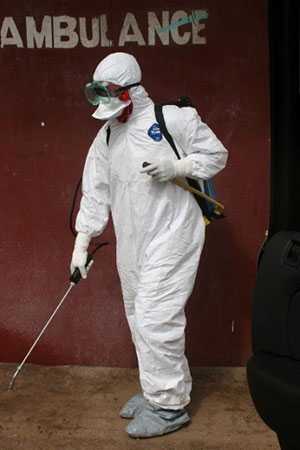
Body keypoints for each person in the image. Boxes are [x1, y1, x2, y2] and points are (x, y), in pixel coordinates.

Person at [70, 52, 228, 438]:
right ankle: (156, 390)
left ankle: (170, 407)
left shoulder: (172, 119)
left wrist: (178, 167)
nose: (104, 107)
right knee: (138, 316)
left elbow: (216, 155)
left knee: (157, 318)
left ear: (131, 91)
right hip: (133, 241)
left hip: (174, 232)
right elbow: (95, 192)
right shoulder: (107, 134)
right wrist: (81, 244)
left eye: (109, 95)